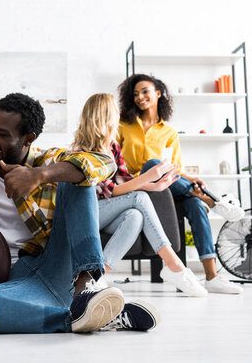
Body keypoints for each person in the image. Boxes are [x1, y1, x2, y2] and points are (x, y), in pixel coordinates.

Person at [0, 93, 158, 334]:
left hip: (54, 264)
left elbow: (105, 164)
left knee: (79, 176)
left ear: (28, 139)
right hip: (12, 281)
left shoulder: (48, 159)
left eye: (2, 134)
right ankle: (87, 317)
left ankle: (85, 291)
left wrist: (39, 175)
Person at [117, 74, 244, 294]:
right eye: (135, 94)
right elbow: (116, 163)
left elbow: (174, 168)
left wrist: (189, 179)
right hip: (136, 185)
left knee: (194, 206)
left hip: (164, 187)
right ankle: (212, 200)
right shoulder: (122, 126)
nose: (140, 97)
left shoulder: (169, 132)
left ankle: (211, 276)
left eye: (145, 91)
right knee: (153, 164)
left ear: (158, 93)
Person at [72, 93, 207, 298]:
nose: (117, 118)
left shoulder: (112, 147)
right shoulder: (81, 151)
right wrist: (149, 177)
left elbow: (123, 182)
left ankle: (97, 277)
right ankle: (173, 265)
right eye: (114, 114)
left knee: (135, 215)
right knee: (139, 199)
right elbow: (110, 190)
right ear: (105, 116)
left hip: (106, 211)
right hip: (86, 214)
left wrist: (154, 185)